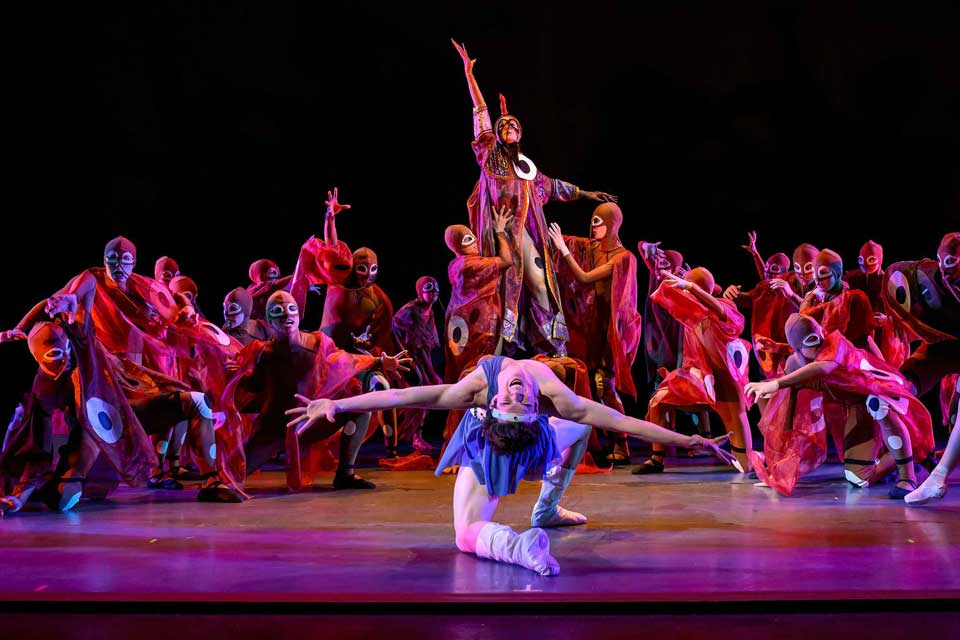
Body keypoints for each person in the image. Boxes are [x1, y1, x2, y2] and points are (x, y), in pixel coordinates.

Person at [286, 355, 735, 576]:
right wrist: (338, 403)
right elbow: (404, 395)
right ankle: (519, 547)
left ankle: (546, 508)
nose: (518, 394)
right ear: (494, 403)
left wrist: (687, 438)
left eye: (517, 400)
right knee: (465, 535)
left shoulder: (535, 399)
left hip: (525, 442)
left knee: (579, 429)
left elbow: (624, 422)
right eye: (518, 400)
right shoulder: (493, 395)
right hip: (487, 449)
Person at [452, 40, 617, 356]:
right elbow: (482, 115)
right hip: (499, 234)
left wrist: (585, 193)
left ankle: (553, 346)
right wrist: (469, 75)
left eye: (514, 124)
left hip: (527, 234)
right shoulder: (490, 156)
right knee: (505, 289)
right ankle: (501, 349)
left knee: (541, 283)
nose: (509, 126)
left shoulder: (527, 167)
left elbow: (553, 187)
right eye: (505, 125)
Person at [745, 314, 934, 497]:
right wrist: (780, 468)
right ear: (798, 348)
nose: (819, 342)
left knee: (878, 403)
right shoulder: (796, 364)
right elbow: (789, 413)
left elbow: (824, 367)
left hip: (880, 388)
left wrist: (776, 383)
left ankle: (907, 477)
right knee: (858, 478)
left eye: (818, 335)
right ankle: (911, 451)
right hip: (857, 404)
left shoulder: (834, 344)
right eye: (811, 340)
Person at [635, 267, 754, 473]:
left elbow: (720, 309)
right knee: (658, 401)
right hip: (696, 378)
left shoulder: (724, 306)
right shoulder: (691, 314)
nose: (684, 291)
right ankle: (657, 459)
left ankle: (746, 458)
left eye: (687, 288)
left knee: (745, 463)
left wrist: (691, 286)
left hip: (723, 383)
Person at [547, 204, 641, 465]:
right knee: (596, 384)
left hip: (614, 331)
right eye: (592, 222)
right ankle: (610, 440)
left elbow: (585, 277)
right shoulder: (592, 248)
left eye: (599, 222)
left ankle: (621, 444)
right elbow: (566, 241)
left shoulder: (622, 257)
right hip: (595, 326)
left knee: (604, 384)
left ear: (612, 224)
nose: (593, 227)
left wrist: (564, 251)